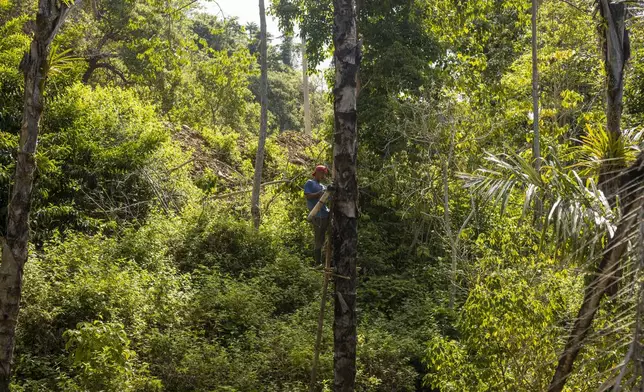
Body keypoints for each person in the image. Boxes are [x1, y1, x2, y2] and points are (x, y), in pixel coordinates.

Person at [304, 165, 330, 264]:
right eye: (322, 173)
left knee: (327, 237)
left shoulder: (323, 186)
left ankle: (327, 260)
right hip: (317, 215)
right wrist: (319, 194)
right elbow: (308, 196)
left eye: (324, 174)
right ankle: (317, 263)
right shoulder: (310, 183)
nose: (323, 176)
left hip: (326, 214)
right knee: (318, 239)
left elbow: (327, 199)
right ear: (317, 173)